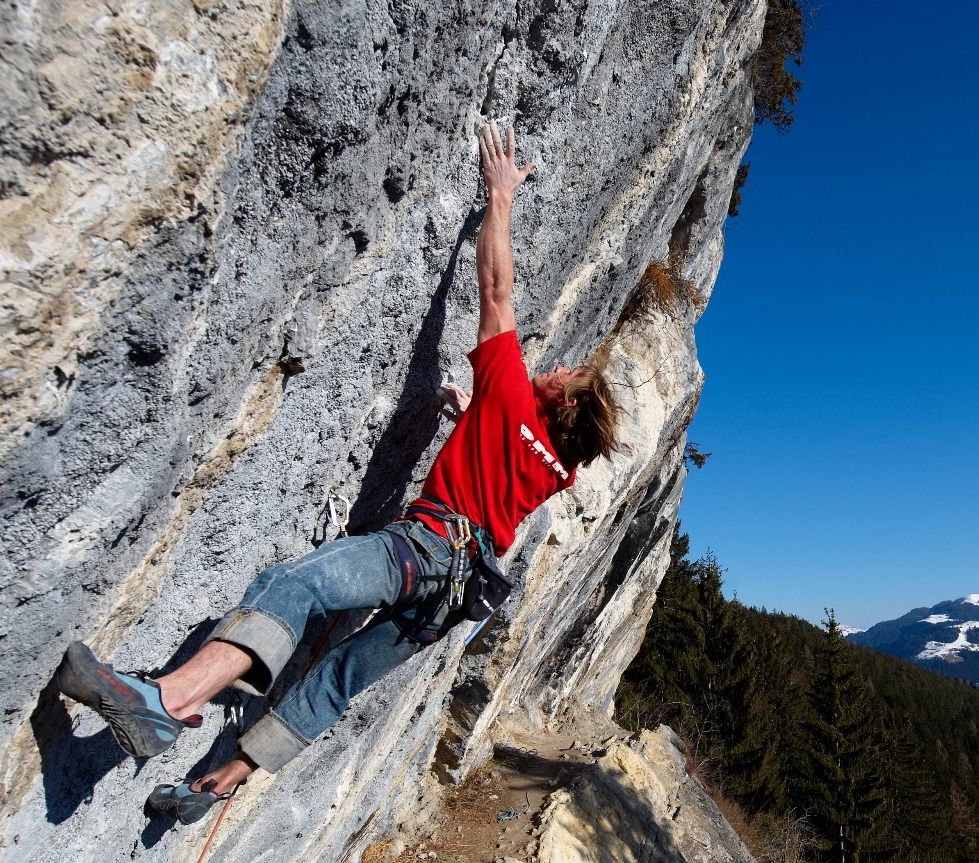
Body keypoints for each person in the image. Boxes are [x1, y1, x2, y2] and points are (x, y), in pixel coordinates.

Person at [56, 121, 619, 823]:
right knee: (339, 678)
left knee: (295, 584)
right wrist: (471, 419)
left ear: (560, 398)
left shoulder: (512, 393)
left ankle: (165, 701)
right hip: (453, 597)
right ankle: (220, 782)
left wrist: (499, 195)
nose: (555, 366)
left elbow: (496, 289)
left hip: (423, 549)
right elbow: (506, 462)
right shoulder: (554, 466)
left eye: (565, 373)